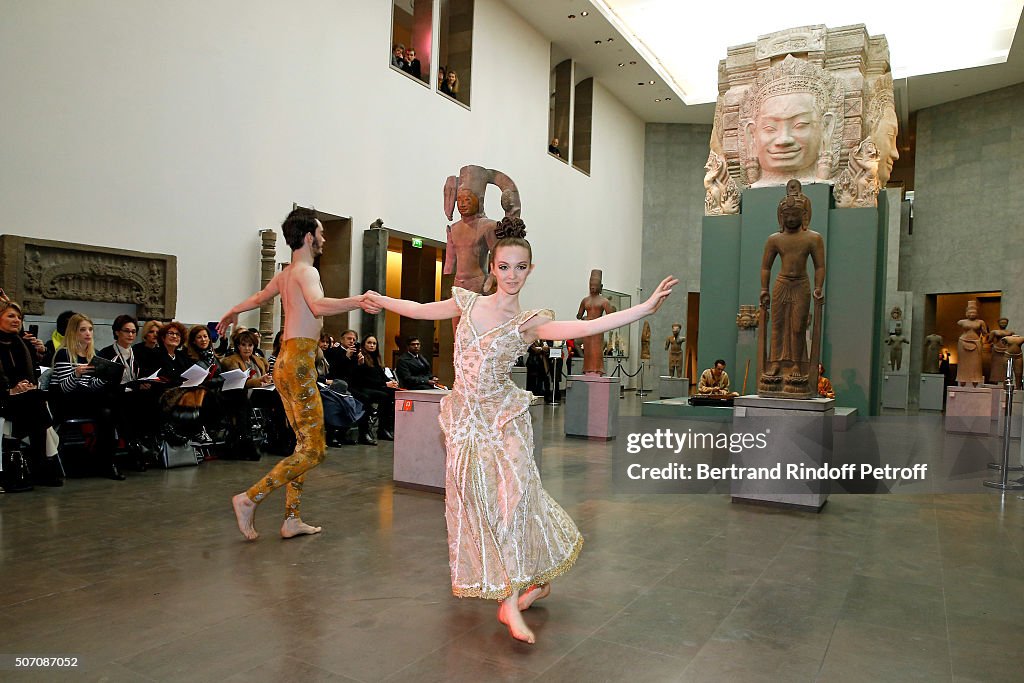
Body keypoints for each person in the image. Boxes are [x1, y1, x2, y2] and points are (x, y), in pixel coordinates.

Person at [366, 216, 676, 644]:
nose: (512, 275)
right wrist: (379, 298)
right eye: (505, 266)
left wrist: (643, 309)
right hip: (466, 421)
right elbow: (420, 310)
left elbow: (585, 328)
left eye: (521, 267)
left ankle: (509, 597)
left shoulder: (528, 322)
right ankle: (537, 579)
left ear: (531, 270)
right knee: (479, 503)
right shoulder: (468, 303)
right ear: (493, 267)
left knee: (515, 500)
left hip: (505, 419)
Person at [218, 207, 376, 541]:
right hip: (300, 362)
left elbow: (262, 297)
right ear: (308, 237)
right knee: (315, 450)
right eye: (321, 232)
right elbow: (318, 306)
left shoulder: (286, 273)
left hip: (284, 361)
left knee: (302, 445)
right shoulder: (306, 272)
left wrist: (234, 310)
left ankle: (291, 518)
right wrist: (359, 300)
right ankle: (250, 498)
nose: (324, 238)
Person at [759, 180, 825, 393]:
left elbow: (820, 266)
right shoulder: (774, 239)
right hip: (781, 283)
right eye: (787, 216)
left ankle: (797, 363)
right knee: (777, 325)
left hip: (801, 285)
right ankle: (776, 363)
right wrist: (764, 289)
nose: (790, 219)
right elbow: (766, 267)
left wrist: (818, 287)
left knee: (797, 327)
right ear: (781, 217)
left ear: (804, 216)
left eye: (795, 215)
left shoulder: (813, 238)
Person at [50, 313, 124, 480]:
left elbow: (91, 385)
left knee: (109, 408)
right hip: (65, 401)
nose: (88, 333)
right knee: (111, 403)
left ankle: (106, 461)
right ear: (73, 332)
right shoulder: (64, 354)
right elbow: (64, 389)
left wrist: (105, 378)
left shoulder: (93, 355)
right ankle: (109, 461)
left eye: (90, 329)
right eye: (83, 330)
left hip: (85, 398)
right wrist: (76, 373)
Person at [0, 296, 62, 486]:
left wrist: (41, 353)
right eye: (11, 316)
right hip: (4, 397)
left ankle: (32, 467)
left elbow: (35, 371)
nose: (17, 320)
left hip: (23, 398)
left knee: (36, 401)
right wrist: (10, 390)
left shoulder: (21, 343)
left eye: (19, 317)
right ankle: (40, 466)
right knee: (37, 408)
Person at [353, 335, 397, 441]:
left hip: (376, 386)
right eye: (369, 343)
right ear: (364, 344)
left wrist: (391, 382)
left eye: (374, 343)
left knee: (394, 393)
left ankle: (385, 428)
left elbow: (381, 375)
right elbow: (364, 379)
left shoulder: (376, 358)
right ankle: (366, 431)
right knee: (384, 395)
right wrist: (385, 384)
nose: (372, 345)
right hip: (363, 387)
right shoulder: (360, 357)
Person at [576, 269, 615, 375]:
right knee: (588, 349)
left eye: (595, 285)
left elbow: (610, 316)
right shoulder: (585, 300)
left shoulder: (604, 301)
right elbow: (579, 315)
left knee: (597, 350)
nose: (592, 287)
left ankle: (598, 369)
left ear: (600, 286)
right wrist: (583, 317)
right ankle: (587, 369)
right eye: (591, 284)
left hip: (598, 328)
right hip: (588, 329)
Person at [956, 300, 988, 387]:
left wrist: (983, 342)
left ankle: (975, 380)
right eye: (970, 311)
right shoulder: (962, 322)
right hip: (963, 342)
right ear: (966, 312)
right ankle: (962, 380)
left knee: (976, 365)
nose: (972, 313)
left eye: (974, 312)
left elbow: (985, 334)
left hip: (976, 343)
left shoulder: (980, 322)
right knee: (963, 364)